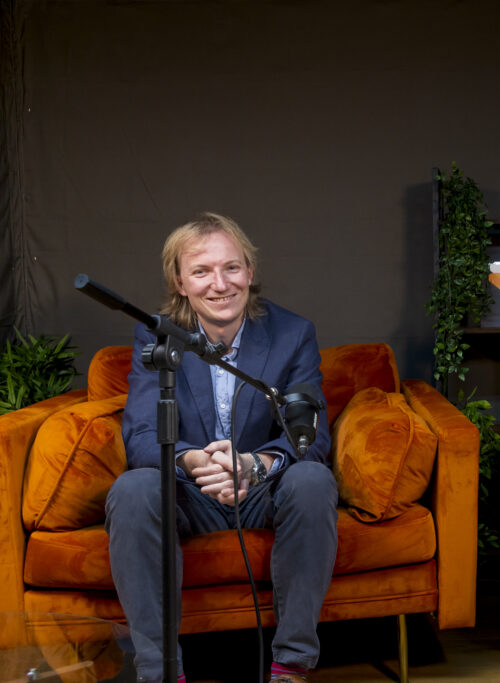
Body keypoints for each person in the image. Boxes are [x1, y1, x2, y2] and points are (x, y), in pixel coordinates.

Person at [105, 212, 338, 683]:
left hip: (262, 491)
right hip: (190, 493)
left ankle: (290, 666)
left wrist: (252, 464)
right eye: (201, 271)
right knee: (132, 490)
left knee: (313, 480)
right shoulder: (156, 336)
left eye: (231, 267)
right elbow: (142, 436)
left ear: (249, 272)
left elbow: (309, 435)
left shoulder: (293, 333)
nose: (220, 283)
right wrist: (195, 461)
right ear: (180, 282)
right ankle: (161, 673)